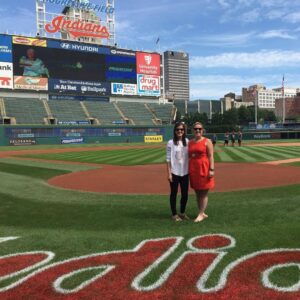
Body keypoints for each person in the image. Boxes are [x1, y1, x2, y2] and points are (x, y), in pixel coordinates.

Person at [188, 122, 215, 223]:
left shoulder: (207, 141)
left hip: (204, 167)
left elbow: (211, 156)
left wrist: (211, 169)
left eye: (199, 129)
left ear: (202, 130)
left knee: (203, 192)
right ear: (193, 130)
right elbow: (188, 156)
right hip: (194, 168)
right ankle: (202, 212)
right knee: (197, 192)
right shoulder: (190, 142)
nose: (197, 130)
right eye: (195, 129)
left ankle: (200, 213)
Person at [166, 122, 189, 221]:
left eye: (182, 129)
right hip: (174, 172)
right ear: (175, 131)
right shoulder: (170, 142)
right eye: (178, 129)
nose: (180, 131)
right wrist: (169, 173)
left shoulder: (187, 141)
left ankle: (182, 213)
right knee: (174, 194)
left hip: (185, 172)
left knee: (185, 194)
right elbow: (168, 159)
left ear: (184, 131)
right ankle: (174, 214)